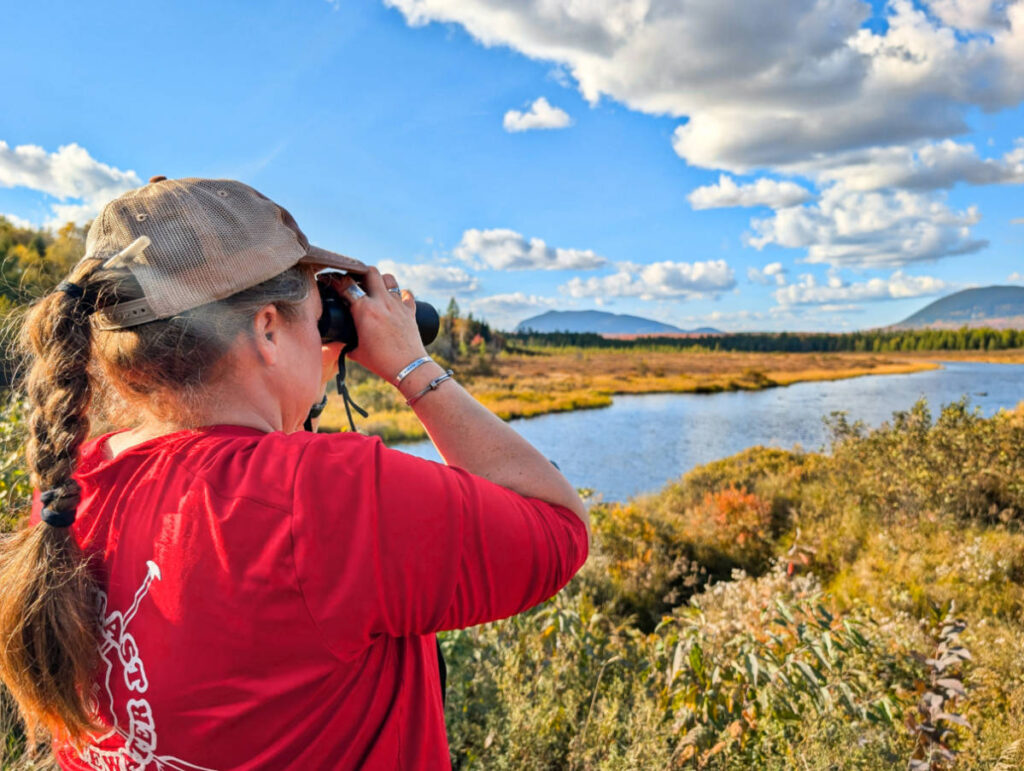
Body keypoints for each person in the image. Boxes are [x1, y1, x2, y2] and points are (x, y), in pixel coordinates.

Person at [0, 177, 590, 769]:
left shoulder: (75, 484)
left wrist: (290, 379)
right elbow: (556, 525)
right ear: (266, 330)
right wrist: (412, 364)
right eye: (316, 315)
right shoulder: (324, 495)